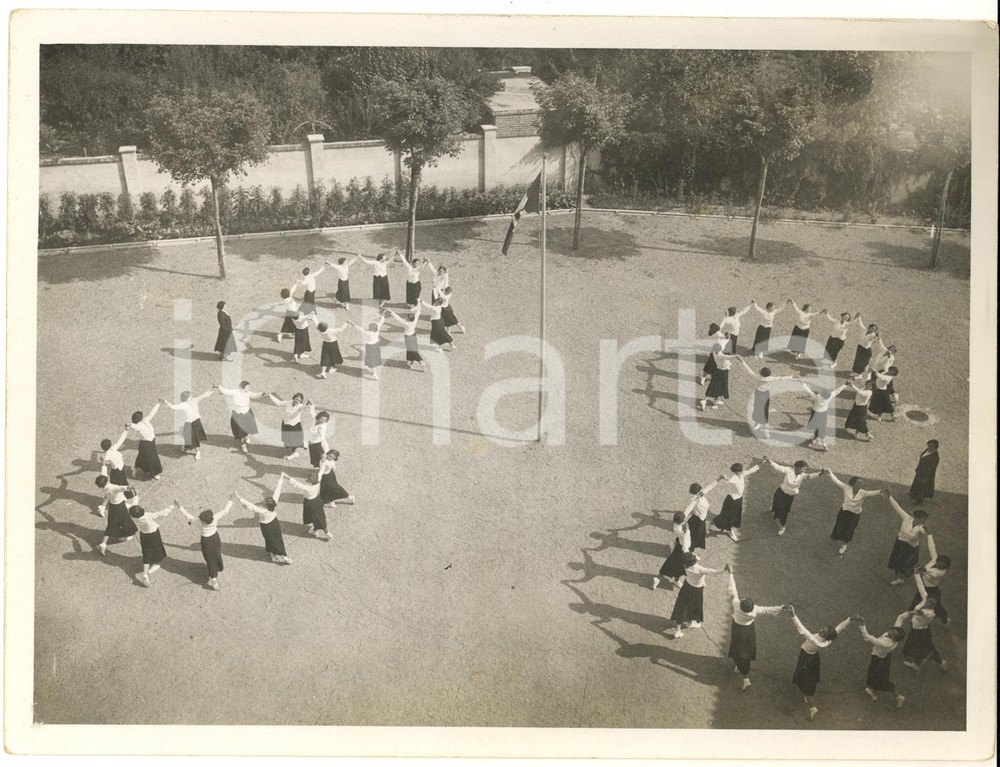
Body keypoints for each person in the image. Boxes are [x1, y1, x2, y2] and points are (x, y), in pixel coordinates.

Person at [787, 606, 855, 721]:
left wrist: (793, 615)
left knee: (804, 681)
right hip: (812, 657)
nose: (821, 630)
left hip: (807, 659)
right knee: (805, 680)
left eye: (824, 632)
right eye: (824, 629)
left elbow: (802, 629)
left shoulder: (817, 641)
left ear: (826, 636)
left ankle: (812, 707)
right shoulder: (829, 638)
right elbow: (839, 628)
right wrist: (850, 619)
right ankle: (806, 694)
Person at [726, 566, 787, 690]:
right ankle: (739, 667)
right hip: (749, 631)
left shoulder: (737, 606)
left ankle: (745, 678)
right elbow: (769, 609)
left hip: (738, 630)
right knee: (745, 651)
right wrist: (782, 607)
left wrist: (731, 573)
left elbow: (732, 591)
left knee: (739, 651)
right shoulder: (755, 610)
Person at [177, 496, 235, 591]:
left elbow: (187, 516)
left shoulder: (198, 521)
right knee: (217, 553)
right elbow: (225, 511)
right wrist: (231, 499)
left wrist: (179, 506)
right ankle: (220, 567)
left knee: (209, 558)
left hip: (206, 541)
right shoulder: (215, 518)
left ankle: (214, 579)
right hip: (215, 538)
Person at [664, 552, 726, 638]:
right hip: (697, 590)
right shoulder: (700, 569)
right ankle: (687, 625)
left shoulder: (685, 566)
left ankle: (682, 627)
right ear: (694, 561)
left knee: (682, 605)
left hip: (686, 586)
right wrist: (725, 569)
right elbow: (714, 572)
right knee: (695, 605)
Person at [236, 475, 293, 565]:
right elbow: (277, 491)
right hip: (274, 523)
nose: (262, 501)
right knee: (276, 539)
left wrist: (239, 498)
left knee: (273, 540)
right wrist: (281, 478)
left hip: (267, 527)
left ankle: (283, 556)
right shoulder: (273, 504)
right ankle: (275, 555)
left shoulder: (262, 510)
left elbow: (252, 506)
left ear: (266, 505)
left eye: (263, 502)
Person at [822, 470, 881, 556]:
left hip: (854, 515)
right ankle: (835, 536)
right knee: (839, 524)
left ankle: (844, 545)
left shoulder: (863, 493)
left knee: (849, 529)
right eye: (859, 483)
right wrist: (830, 472)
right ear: (853, 483)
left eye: (861, 483)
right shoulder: (846, 488)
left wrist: (880, 491)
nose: (861, 485)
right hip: (844, 511)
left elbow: (872, 493)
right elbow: (836, 481)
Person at [738, 359, 797, 439]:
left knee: (758, 409)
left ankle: (763, 428)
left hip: (758, 394)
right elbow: (781, 378)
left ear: (761, 374)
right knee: (764, 411)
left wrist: (742, 361)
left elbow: (749, 370)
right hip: (765, 395)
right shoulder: (770, 378)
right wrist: (792, 377)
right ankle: (760, 426)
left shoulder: (757, 377)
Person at [762, 457, 821, 536]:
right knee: (776, 503)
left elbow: (810, 476)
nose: (804, 471)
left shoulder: (802, 475)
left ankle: (783, 526)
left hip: (789, 496)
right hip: (781, 492)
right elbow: (778, 467)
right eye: (803, 469)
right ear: (798, 468)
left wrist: (820, 473)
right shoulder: (788, 470)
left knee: (784, 511)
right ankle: (772, 509)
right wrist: (769, 461)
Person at [858, 617, 908, 709]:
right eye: (893, 631)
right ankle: (873, 690)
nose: (891, 633)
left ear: (895, 639)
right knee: (874, 676)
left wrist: (862, 625)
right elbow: (900, 619)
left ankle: (898, 697)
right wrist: (910, 613)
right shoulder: (892, 637)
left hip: (879, 660)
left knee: (882, 681)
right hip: (883, 658)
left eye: (894, 635)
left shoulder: (887, 643)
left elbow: (868, 638)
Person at [883, 491, 930, 585]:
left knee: (905, 564)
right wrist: (890, 497)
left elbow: (924, 533)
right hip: (901, 543)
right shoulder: (906, 518)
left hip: (911, 548)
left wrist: (927, 531)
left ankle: (901, 578)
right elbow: (897, 507)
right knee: (899, 561)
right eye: (923, 518)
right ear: (918, 518)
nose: (924, 520)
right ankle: (900, 578)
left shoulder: (921, 527)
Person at [899, 589, 948, 673]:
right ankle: (939, 662)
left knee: (922, 647)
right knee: (923, 646)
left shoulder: (930, 613)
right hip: (919, 630)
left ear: (934, 607)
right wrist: (916, 575)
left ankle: (918, 664)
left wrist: (920, 612)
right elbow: (920, 586)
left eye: (933, 604)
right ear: (927, 599)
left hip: (920, 632)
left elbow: (926, 614)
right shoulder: (923, 604)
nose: (930, 604)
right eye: (930, 601)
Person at [130, 501, 176, 586]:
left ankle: (145, 574)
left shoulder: (134, 517)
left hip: (143, 535)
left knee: (146, 552)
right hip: (153, 534)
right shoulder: (148, 516)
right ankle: (153, 565)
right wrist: (173, 505)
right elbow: (162, 513)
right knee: (157, 549)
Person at [159, 389, 214, 461]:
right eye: (190, 396)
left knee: (195, 438)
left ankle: (198, 451)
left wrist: (212, 390)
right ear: (186, 398)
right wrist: (166, 402)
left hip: (196, 422)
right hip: (189, 423)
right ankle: (186, 445)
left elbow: (203, 396)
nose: (191, 397)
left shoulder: (194, 400)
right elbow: (173, 407)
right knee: (186, 434)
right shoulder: (183, 405)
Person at [712, 461, 761, 541]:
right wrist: (724, 477)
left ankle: (728, 529)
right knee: (726, 516)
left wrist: (760, 463)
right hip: (731, 500)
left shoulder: (741, 475)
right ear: (737, 471)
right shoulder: (734, 478)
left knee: (733, 516)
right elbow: (729, 480)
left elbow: (750, 471)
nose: (742, 470)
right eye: (740, 469)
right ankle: (715, 525)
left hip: (738, 499)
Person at [908, 538, 950, 625]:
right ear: (938, 561)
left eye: (944, 566)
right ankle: (911, 613)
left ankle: (945, 620)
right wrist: (929, 534)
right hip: (924, 586)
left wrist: (923, 569)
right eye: (941, 564)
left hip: (932, 590)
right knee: (916, 600)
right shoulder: (934, 559)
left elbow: (933, 573)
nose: (941, 566)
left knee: (937, 607)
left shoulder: (941, 572)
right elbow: (932, 548)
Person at [280, 471, 331, 540]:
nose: (306, 479)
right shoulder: (317, 483)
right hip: (317, 501)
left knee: (315, 517)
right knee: (318, 516)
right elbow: (320, 474)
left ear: (311, 481)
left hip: (310, 503)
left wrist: (287, 477)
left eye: (308, 479)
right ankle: (314, 530)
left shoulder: (309, 488)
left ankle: (327, 533)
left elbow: (298, 485)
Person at [216, 381, 265, 453]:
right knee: (240, 430)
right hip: (237, 414)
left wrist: (262, 394)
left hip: (247, 412)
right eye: (247, 387)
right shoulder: (235, 392)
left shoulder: (248, 393)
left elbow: (255, 395)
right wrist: (219, 387)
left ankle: (246, 436)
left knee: (248, 427)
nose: (249, 388)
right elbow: (227, 391)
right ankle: (243, 445)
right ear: (242, 387)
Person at [94, 475, 137, 555]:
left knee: (111, 524)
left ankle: (103, 543)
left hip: (112, 507)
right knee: (126, 520)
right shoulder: (112, 488)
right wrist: (128, 487)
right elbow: (120, 488)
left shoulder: (104, 489)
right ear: (106, 481)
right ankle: (124, 536)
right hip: (120, 507)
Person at [800, 382, 847, 451]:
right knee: (821, 428)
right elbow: (838, 391)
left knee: (817, 427)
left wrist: (802, 383)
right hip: (823, 413)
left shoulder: (817, 397)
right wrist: (845, 384)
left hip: (815, 413)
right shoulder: (829, 396)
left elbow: (808, 391)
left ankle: (823, 444)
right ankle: (819, 441)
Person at [652, 512, 690, 589]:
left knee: (672, 563)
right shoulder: (684, 530)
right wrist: (687, 553)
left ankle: (661, 579)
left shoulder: (676, 526)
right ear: (682, 520)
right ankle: (672, 580)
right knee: (678, 565)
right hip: (682, 549)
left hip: (679, 546)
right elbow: (685, 541)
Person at [268, 391, 309, 459]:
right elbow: (279, 403)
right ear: (294, 398)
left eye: (299, 400)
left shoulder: (300, 406)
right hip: (286, 424)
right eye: (296, 399)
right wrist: (270, 396)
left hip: (295, 426)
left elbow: (305, 407)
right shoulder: (288, 402)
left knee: (294, 441)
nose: (297, 401)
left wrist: (308, 404)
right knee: (288, 440)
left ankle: (295, 453)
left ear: (301, 401)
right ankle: (302, 443)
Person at [127, 404, 163, 480]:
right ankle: (153, 473)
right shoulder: (137, 426)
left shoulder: (145, 420)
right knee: (149, 458)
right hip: (146, 445)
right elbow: (131, 425)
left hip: (151, 443)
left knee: (148, 457)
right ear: (139, 419)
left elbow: (152, 413)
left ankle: (137, 469)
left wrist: (158, 403)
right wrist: (128, 425)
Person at [683, 479, 720, 550]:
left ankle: (688, 548)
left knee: (696, 535)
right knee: (693, 536)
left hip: (702, 519)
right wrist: (681, 520)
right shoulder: (694, 500)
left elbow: (709, 487)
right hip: (697, 520)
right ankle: (689, 550)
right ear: (696, 492)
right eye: (699, 490)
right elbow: (687, 510)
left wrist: (718, 479)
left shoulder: (701, 494)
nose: (701, 491)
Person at [698, 343, 737, 411]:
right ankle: (709, 401)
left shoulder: (714, 353)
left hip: (718, 370)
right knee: (720, 386)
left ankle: (712, 400)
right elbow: (728, 357)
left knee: (714, 386)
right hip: (723, 372)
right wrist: (736, 356)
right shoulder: (721, 355)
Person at [908, 440, 940, 505]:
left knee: (923, 487)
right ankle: (913, 494)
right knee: (916, 483)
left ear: (936, 447)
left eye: (931, 446)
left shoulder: (935, 457)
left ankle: (919, 501)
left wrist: (926, 476)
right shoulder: (927, 451)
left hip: (926, 474)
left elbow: (932, 468)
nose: (929, 447)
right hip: (920, 471)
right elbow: (922, 458)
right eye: (928, 445)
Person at [844, 374, 874, 441]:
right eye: (867, 384)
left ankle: (867, 434)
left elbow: (860, 392)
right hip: (857, 406)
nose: (867, 386)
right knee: (858, 421)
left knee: (862, 422)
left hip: (861, 408)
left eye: (869, 385)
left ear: (871, 387)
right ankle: (856, 433)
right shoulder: (864, 388)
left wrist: (852, 385)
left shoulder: (868, 392)